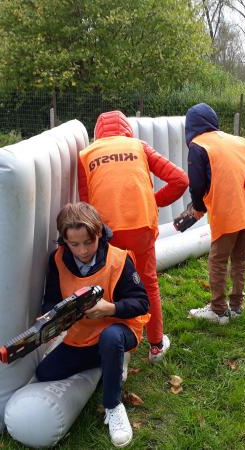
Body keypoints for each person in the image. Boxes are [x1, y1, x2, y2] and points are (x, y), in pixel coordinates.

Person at [34, 202, 150, 447]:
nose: (83, 250)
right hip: (82, 336)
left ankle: (114, 405)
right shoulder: (57, 260)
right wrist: (50, 317)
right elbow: (51, 299)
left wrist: (110, 308)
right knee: (45, 373)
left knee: (111, 339)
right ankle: (110, 360)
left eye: (89, 242)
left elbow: (142, 303)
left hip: (121, 328)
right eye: (74, 244)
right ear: (64, 241)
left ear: (99, 234)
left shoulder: (119, 258)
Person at [78, 110, 188, 362]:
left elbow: (86, 203)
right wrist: (153, 202)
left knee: (111, 286)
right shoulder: (139, 146)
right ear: (127, 130)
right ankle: (156, 345)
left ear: (97, 134)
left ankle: (116, 346)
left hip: (106, 232)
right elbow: (180, 180)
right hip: (142, 227)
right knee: (148, 282)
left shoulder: (86, 154)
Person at [184, 103, 245, 325]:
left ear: (191, 126)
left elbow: (195, 184)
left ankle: (218, 310)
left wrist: (198, 207)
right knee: (240, 257)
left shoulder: (198, 145)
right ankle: (236, 306)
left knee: (218, 259)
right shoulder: (240, 141)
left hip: (228, 210)